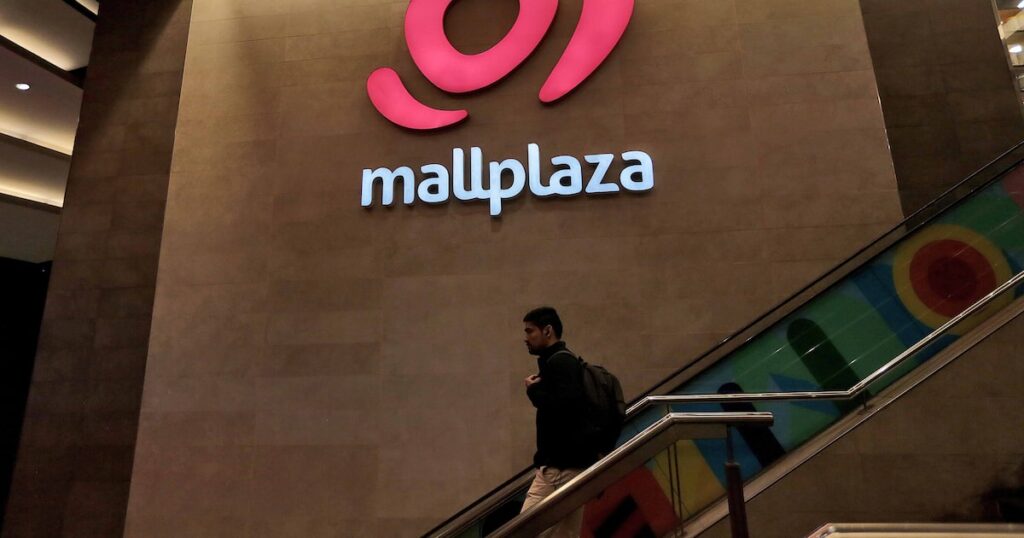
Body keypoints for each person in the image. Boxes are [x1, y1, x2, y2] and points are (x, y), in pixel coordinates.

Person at [519, 306, 600, 537]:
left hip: (560, 469)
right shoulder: (561, 362)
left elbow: (561, 408)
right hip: (565, 466)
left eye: (530, 331)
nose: (526, 338)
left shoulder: (561, 364)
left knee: (523, 530)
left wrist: (533, 390)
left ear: (547, 331)